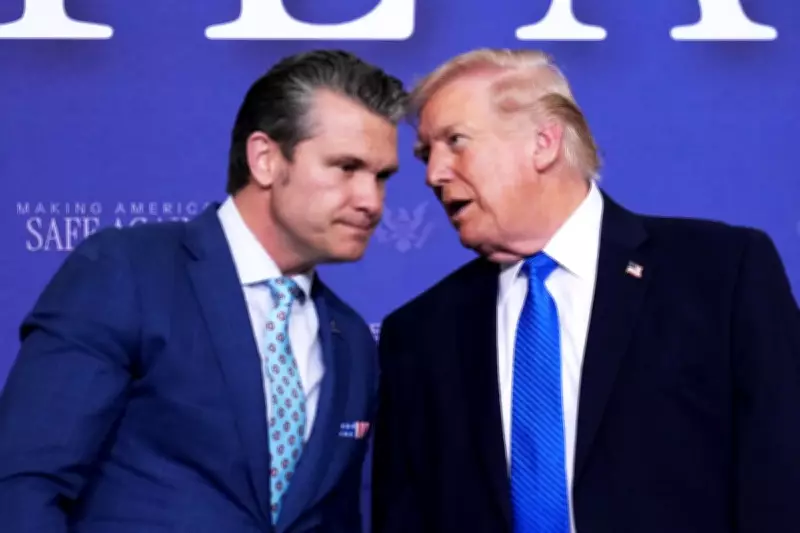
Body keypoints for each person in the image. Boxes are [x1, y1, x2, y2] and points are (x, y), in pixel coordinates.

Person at [371, 48, 800, 533]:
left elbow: (783, 474)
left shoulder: (721, 273)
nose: (434, 174)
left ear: (543, 142)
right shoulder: (419, 332)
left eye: (456, 142)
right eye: (427, 154)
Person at [0, 49, 407, 533]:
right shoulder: (129, 272)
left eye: (382, 177)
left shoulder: (352, 340)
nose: (371, 201)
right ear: (265, 160)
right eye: (346, 167)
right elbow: (24, 485)